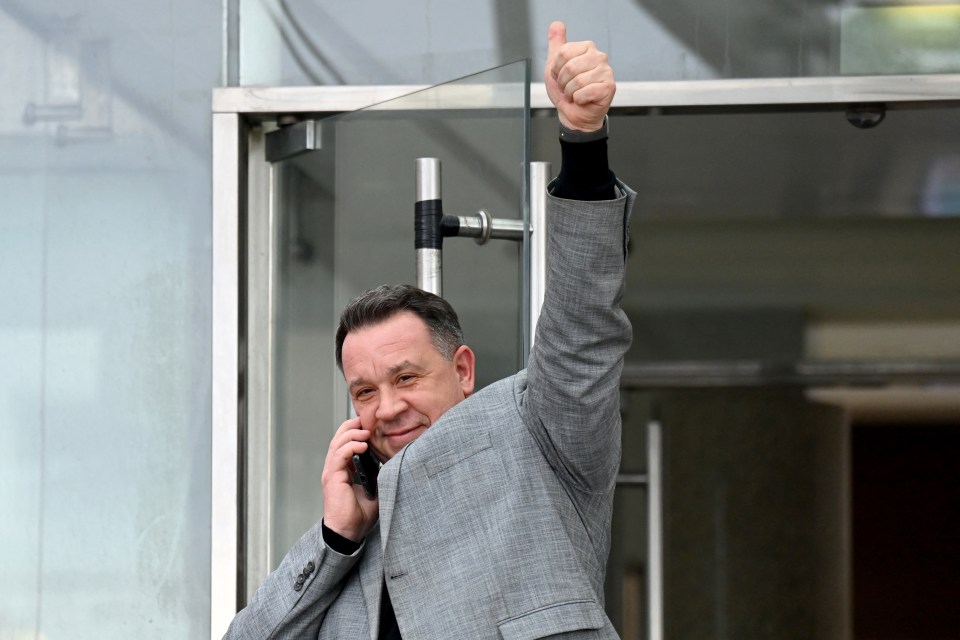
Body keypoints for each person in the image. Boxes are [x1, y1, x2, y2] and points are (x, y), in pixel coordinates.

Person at [225, 20, 636, 639]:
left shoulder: (538, 431)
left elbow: (582, 328)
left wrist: (582, 140)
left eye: (407, 376)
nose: (387, 407)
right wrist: (338, 538)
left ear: (463, 370)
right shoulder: (350, 547)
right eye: (364, 391)